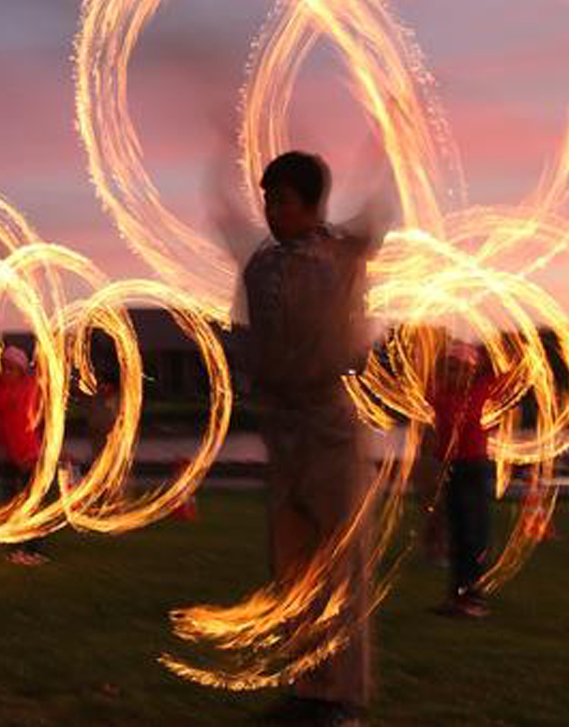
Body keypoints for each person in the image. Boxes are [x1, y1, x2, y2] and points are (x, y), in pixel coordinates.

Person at [236, 151, 387, 725]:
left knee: (339, 562)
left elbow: (372, 225)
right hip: (283, 427)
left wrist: (390, 132)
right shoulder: (261, 266)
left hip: (328, 424)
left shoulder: (339, 256)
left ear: (311, 204)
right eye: (267, 200)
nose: (271, 211)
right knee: (293, 565)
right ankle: (308, 685)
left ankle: (342, 697)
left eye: (282, 200)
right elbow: (251, 334)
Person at [430, 341, 502, 618]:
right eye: (449, 367)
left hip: (475, 470)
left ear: (471, 370)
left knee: (474, 536)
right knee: (459, 537)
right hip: (453, 471)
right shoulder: (440, 394)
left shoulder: (484, 390)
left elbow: (513, 369)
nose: (452, 372)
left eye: (458, 367)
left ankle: (475, 600)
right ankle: (457, 597)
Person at [0, 344, 47, 566]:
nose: (6, 372)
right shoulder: (0, 387)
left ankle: (33, 550)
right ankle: (16, 547)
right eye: (5, 367)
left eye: (12, 368)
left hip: (28, 455)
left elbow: (22, 429)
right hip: (7, 456)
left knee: (31, 505)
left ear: (22, 371)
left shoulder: (28, 388)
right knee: (11, 504)